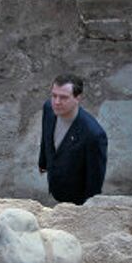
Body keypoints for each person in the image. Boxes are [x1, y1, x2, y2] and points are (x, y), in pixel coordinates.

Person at [38, 74, 107, 205]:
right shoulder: (48, 108)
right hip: (55, 183)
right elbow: (46, 137)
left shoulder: (94, 134)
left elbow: (95, 178)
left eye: (63, 97)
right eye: (54, 95)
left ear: (77, 98)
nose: (56, 102)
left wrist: (88, 206)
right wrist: (43, 162)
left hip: (75, 197)